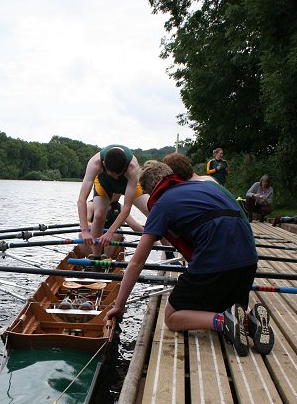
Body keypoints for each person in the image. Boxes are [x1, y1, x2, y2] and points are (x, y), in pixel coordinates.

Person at [105, 160, 275, 356]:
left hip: (214, 261)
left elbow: (136, 262)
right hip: (248, 261)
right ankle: (250, 321)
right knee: (222, 305)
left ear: (150, 190)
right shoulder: (205, 187)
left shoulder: (161, 204)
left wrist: (119, 306)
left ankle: (223, 321)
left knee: (172, 317)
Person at [78, 145, 149, 257]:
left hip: (128, 183)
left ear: (125, 166)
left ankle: (169, 253)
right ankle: (97, 258)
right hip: (104, 184)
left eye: (118, 175)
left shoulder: (133, 168)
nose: (116, 178)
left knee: (153, 212)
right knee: (99, 215)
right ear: (104, 164)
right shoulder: (95, 164)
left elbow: (126, 208)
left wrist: (110, 232)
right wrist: (85, 230)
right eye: (113, 175)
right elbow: (82, 199)